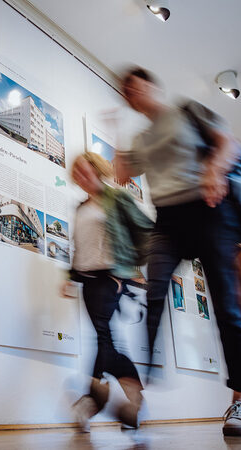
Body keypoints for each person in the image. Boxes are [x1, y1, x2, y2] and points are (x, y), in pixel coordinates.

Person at [115, 66, 241, 436]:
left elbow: (228, 143)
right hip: (168, 219)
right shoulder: (143, 137)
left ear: (151, 84)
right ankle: (139, 396)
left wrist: (213, 168)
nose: (130, 92)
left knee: (227, 305)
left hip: (209, 209)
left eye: (134, 84)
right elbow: (121, 174)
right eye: (124, 90)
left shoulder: (185, 112)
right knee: (154, 290)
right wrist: (117, 131)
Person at [63, 152, 152, 431]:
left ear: (96, 168)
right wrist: (71, 277)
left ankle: (92, 402)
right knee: (107, 339)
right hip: (88, 279)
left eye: (83, 168)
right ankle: (133, 401)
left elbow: (146, 233)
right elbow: (82, 247)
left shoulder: (119, 199)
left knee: (103, 335)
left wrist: (125, 269)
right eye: (75, 171)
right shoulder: (80, 207)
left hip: (110, 276)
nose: (79, 174)